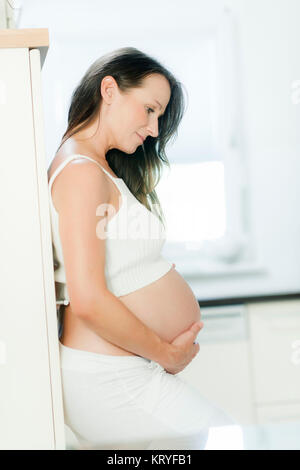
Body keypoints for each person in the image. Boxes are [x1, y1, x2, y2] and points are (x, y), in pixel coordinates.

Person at [48, 47, 236, 450]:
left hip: (119, 371)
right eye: (149, 109)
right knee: (226, 441)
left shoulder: (93, 168)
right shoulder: (82, 173)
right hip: (107, 377)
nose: (154, 129)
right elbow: (87, 299)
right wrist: (166, 354)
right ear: (110, 89)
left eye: (159, 117)